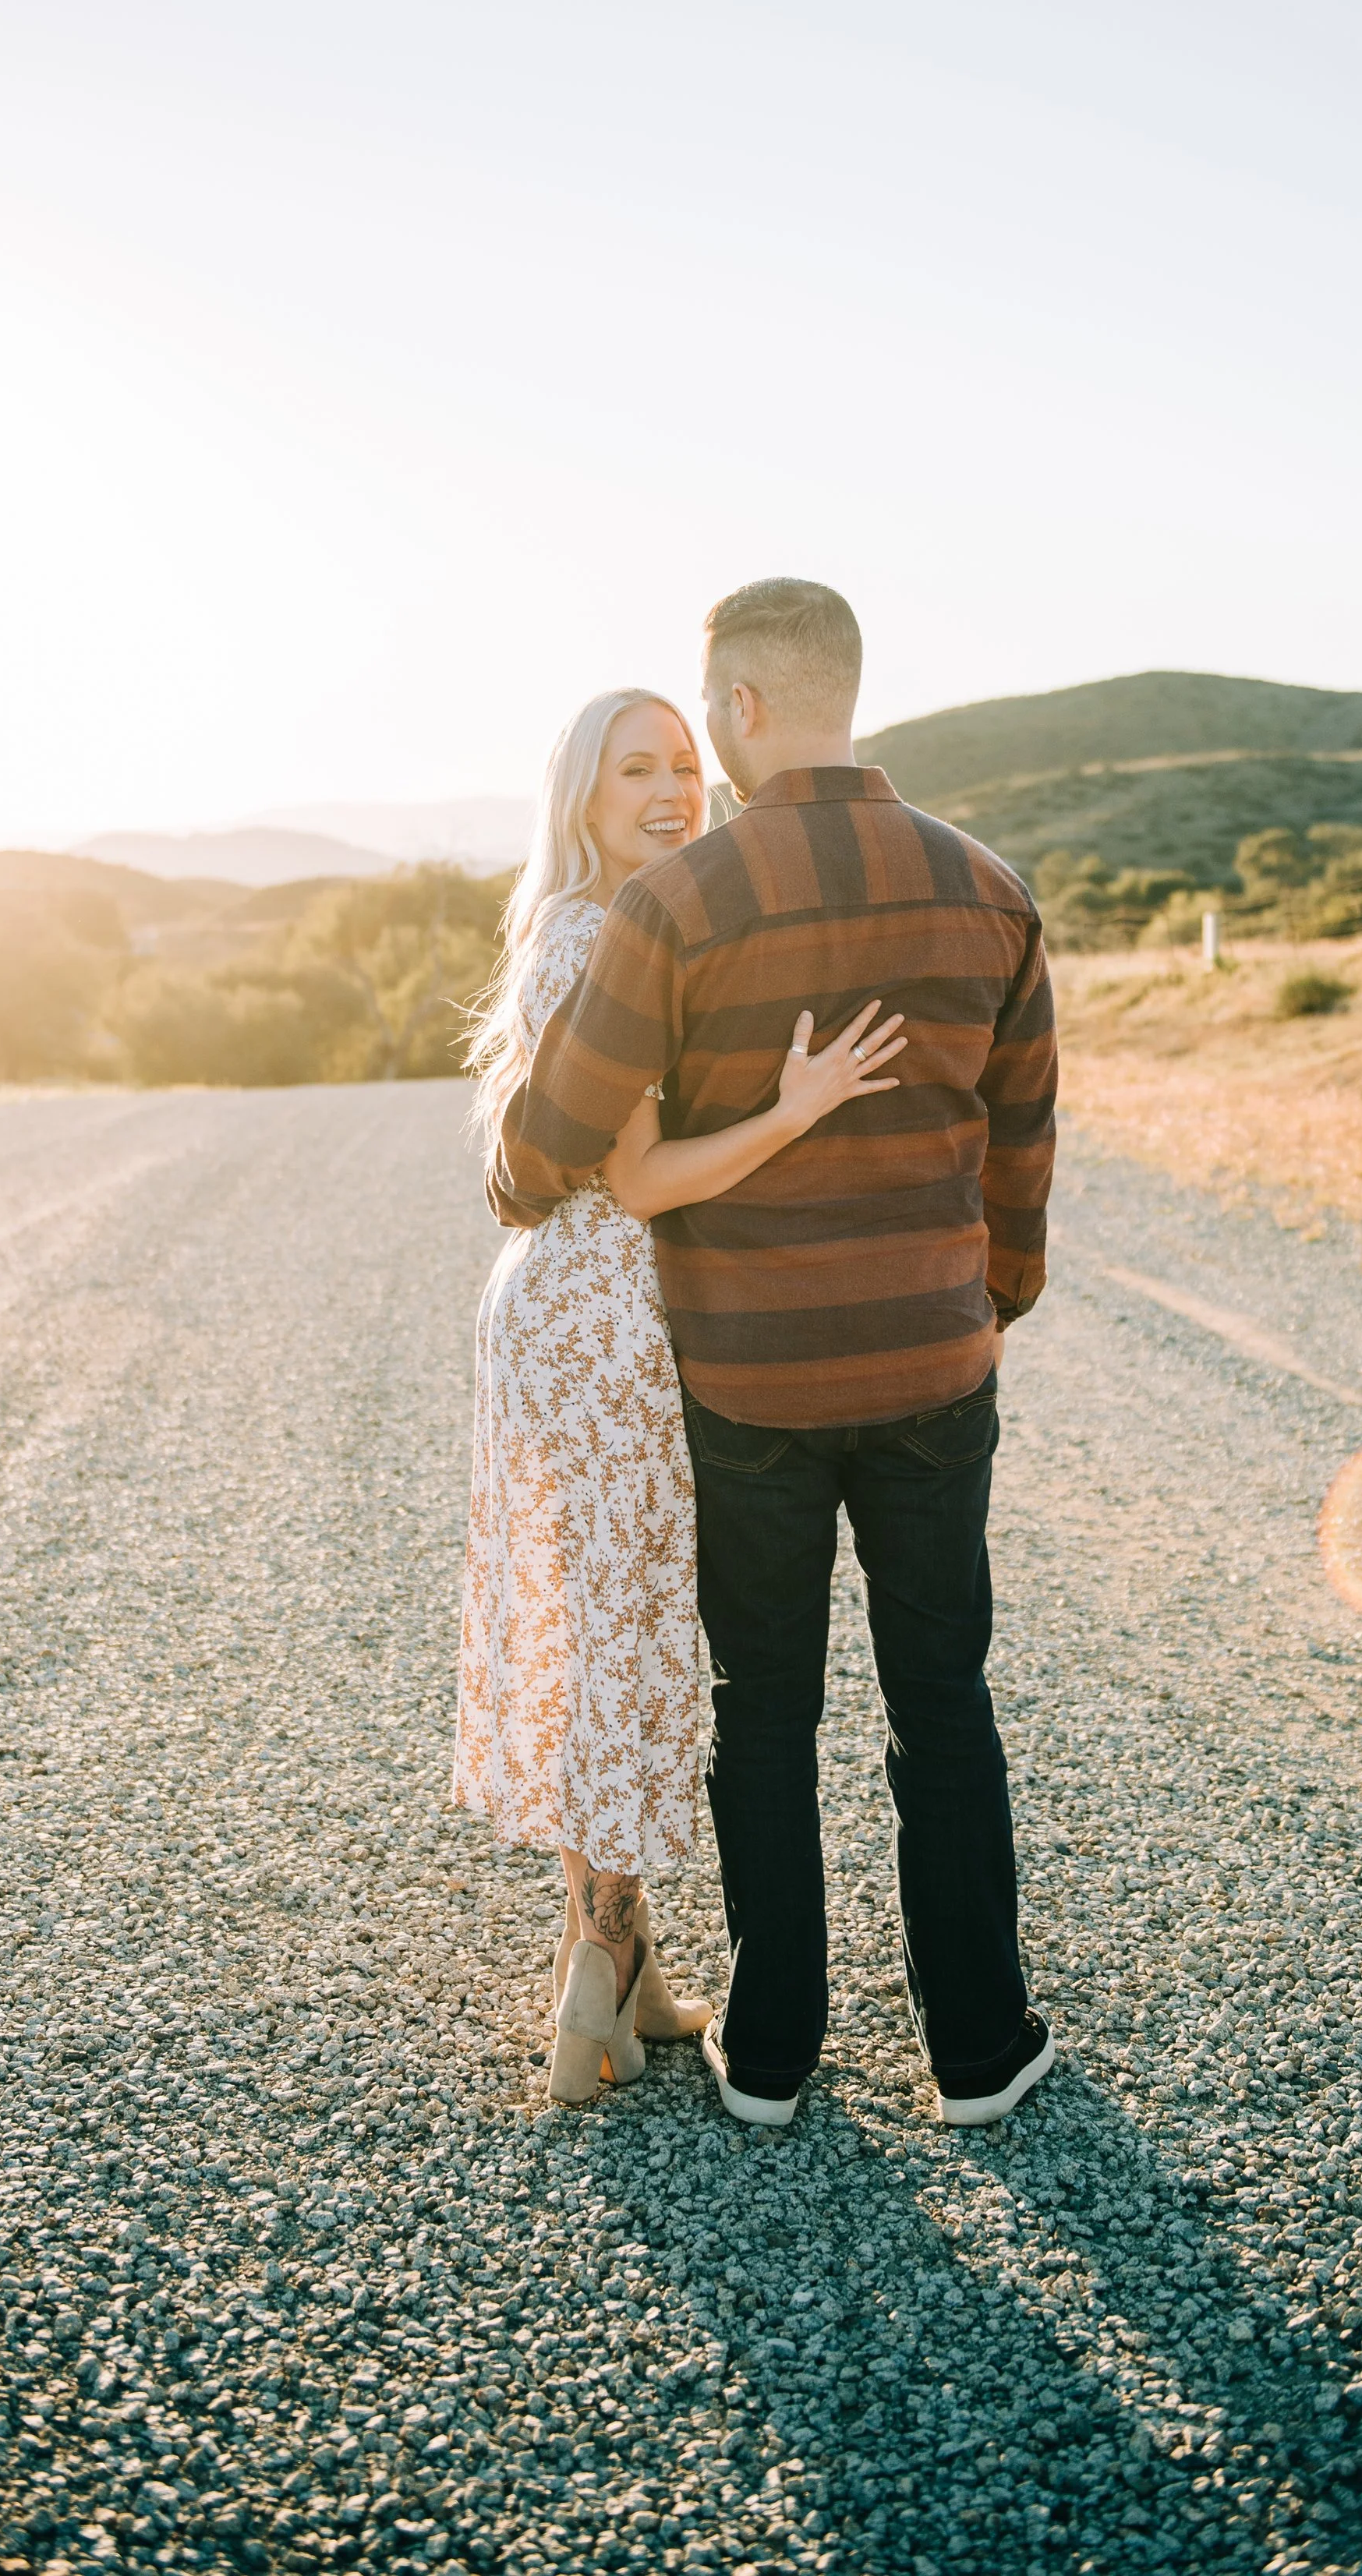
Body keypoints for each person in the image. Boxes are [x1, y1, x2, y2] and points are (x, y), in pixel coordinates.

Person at [488, 582, 1058, 2128]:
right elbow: (1019, 1143)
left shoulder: (680, 904)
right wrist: (983, 1302)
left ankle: (773, 2050)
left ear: (737, 709)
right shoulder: (987, 887)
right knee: (941, 1699)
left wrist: (516, 1190)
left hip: (746, 1383)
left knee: (766, 1708)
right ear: (846, 690)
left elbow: (551, 1141)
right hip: (935, 1372)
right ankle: (978, 2050)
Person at [455, 685, 907, 2103]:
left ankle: (633, 1973)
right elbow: (643, 1179)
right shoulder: (605, 938)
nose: (671, 791)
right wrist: (800, 1108)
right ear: (582, 797)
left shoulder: (584, 927)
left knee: (609, 1627)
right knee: (630, 1638)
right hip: (613, 1319)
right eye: (636, 769)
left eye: (687, 766)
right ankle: (593, 1979)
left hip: (562, 1306)